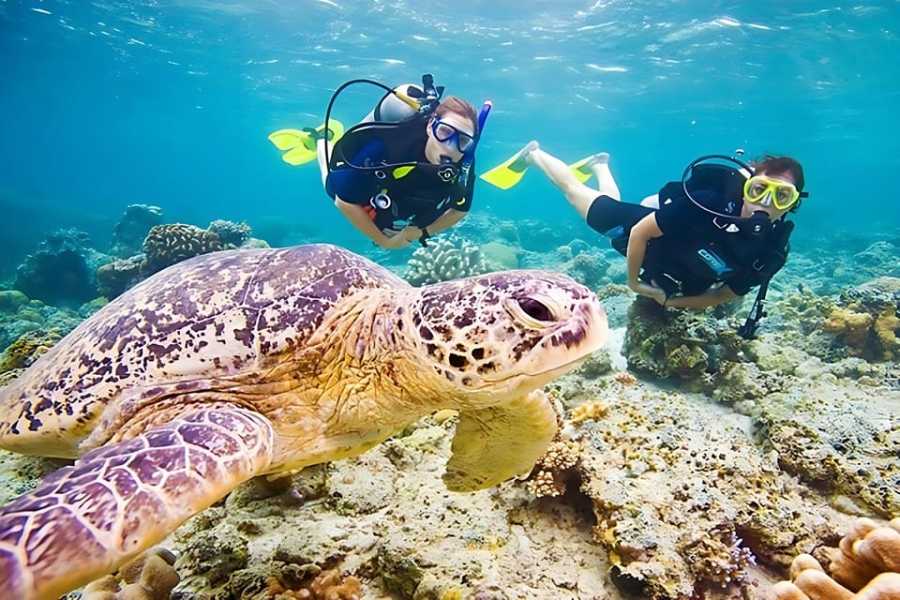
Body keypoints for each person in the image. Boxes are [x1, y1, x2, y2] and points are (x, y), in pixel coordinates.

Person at [483, 142, 806, 334]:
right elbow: (641, 231)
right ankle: (535, 154)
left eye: (781, 196)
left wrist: (670, 301)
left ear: (792, 205)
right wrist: (634, 283)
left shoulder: (772, 251)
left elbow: (723, 295)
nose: (765, 203)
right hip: (643, 234)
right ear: (746, 188)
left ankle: (600, 166)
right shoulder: (708, 202)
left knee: (608, 203)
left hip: (663, 258)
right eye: (759, 190)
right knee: (574, 193)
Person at [313, 76, 489, 250]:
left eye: (463, 140)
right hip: (376, 176)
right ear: (430, 126)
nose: (451, 147)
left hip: (403, 191)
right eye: (444, 131)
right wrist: (385, 241)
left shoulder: (464, 160)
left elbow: (461, 209)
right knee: (333, 187)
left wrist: (422, 232)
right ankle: (322, 140)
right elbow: (343, 201)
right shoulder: (391, 144)